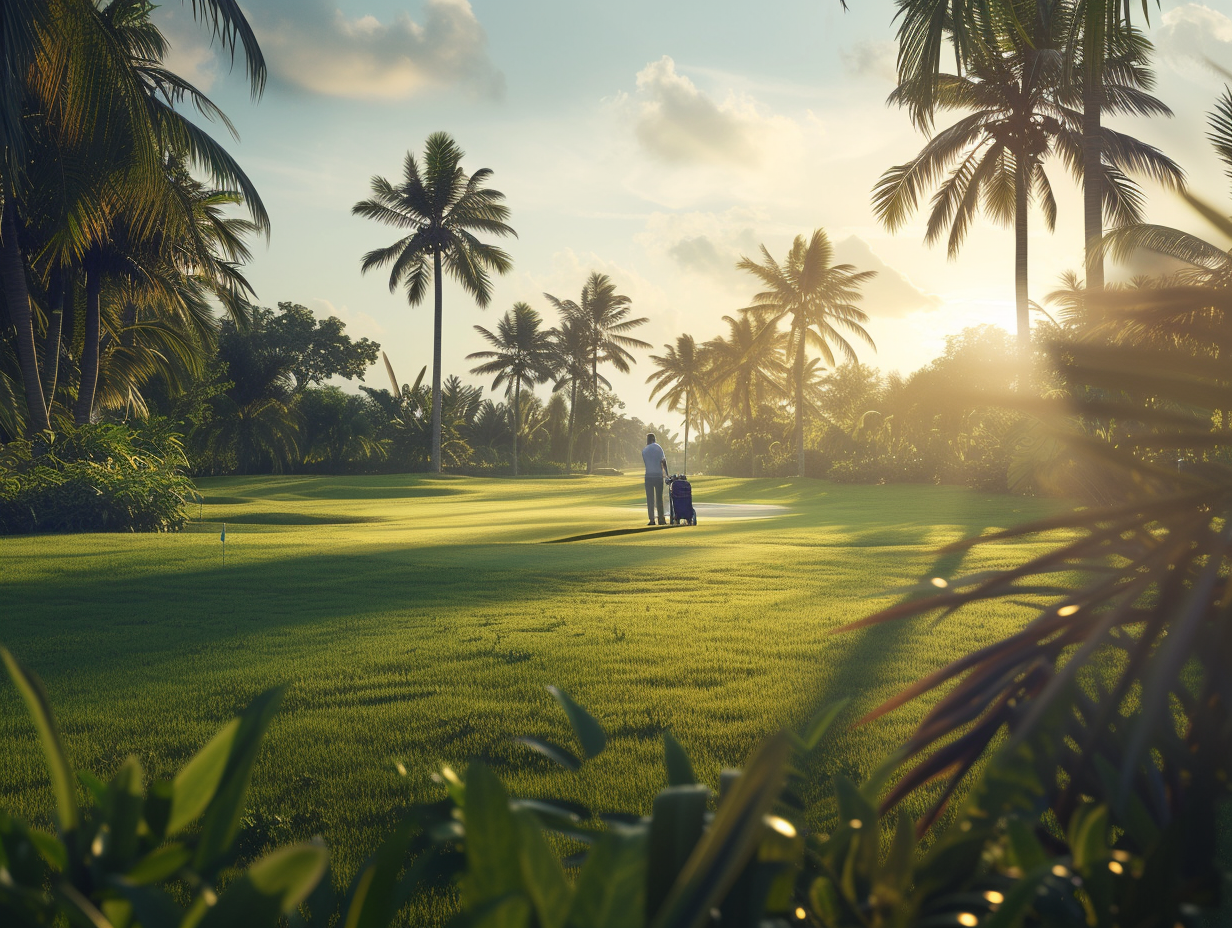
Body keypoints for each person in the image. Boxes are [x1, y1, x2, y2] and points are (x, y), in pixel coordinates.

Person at [641, 432, 668, 525]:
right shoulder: (658, 447)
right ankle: (661, 519)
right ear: (654, 439)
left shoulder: (644, 450)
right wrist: (667, 474)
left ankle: (652, 520)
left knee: (650, 499)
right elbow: (663, 461)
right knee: (659, 498)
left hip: (648, 476)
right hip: (658, 475)